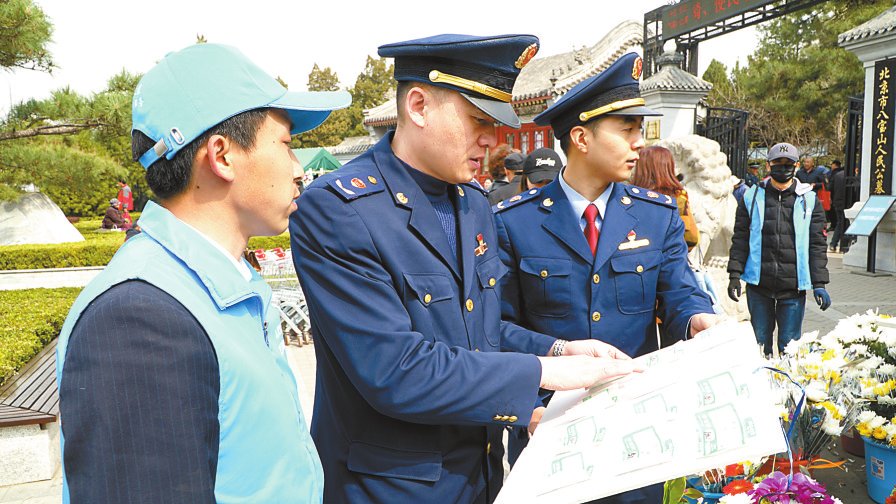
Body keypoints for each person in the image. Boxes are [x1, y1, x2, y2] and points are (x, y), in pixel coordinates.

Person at [290, 34, 642, 503]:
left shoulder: (471, 202)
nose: (492, 140)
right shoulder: (340, 211)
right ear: (418, 105)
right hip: (390, 488)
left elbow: (478, 331)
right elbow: (395, 370)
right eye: (479, 120)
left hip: (477, 478)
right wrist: (541, 372)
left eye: (497, 125)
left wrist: (561, 350)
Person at [56, 43, 351, 503]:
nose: (298, 170)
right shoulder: (141, 319)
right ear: (222, 155)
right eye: (287, 145)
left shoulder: (218, 284)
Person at [493, 53, 719, 502]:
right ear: (581, 137)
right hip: (548, 429)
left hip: (635, 430)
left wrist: (697, 320)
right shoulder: (513, 222)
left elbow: (680, 293)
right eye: (627, 131)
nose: (640, 143)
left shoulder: (656, 216)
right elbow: (495, 328)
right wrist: (543, 384)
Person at [727, 143, 831, 356]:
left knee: (790, 347)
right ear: (768, 165)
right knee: (759, 344)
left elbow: (817, 244)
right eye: (777, 163)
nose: (782, 168)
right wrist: (734, 274)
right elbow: (740, 238)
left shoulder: (809, 199)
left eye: (788, 164)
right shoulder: (752, 197)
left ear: (797, 166)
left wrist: (819, 283)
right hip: (759, 284)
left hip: (792, 287)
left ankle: (788, 388)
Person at [630, 145, 700, 251]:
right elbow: (691, 237)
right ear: (668, 167)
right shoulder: (677, 197)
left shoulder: (629, 196)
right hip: (668, 260)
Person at [827, 159, 851, 253]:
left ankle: (834, 244)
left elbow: (830, 188)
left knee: (840, 223)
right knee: (845, 223)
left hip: (837, 202)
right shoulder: (851, 176)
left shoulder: (837, 175)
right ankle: (845, 243)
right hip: (848, 203)